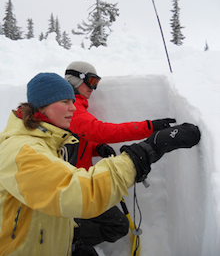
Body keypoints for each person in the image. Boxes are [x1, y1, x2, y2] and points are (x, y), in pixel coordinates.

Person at [0, 72, 201, 256]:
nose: (72, 107)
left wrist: (67, 238)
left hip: (50, 239)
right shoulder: (23, 151)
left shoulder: (48, 139)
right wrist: (146, 150)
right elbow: (80, 192)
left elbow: (49, 197)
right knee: (116, 225)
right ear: (41, 105)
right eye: (65, 101)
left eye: (72, 101)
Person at [65, 61, 176, 169]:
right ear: (76, 79)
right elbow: (100, 131)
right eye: (91, 81)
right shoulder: (70, 107)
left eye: (96, 83)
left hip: (76, 178)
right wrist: (149, 127)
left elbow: (75, 139)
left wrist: (96, 148)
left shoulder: (71, 104)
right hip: (71, 182)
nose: (93, 88)